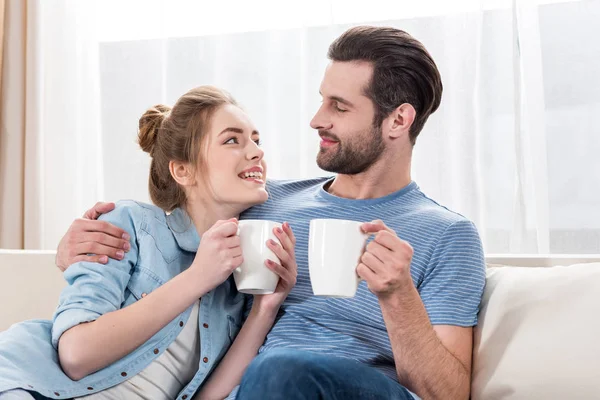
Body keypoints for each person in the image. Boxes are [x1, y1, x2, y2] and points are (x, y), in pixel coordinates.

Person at [52, 26, 486, 400]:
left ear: (398, 121)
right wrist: (82, 244)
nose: (316, 119)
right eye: (321, 101)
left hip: (348, 387)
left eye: (339, 106)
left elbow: (445, 394)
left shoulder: (448, 235)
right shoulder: (265, 202)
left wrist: (398, 297)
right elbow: (177, 230)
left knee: (281, 370)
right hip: (252, 386)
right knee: (272, 373)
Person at [0, 86, 298, 400]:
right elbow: (76, 356)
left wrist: (263, 310)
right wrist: (198, 277)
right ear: (183, 170)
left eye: (256, 140)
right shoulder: (130, 224)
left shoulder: (236, 279)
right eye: (232, 140)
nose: (256, 151)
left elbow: (204, 397)